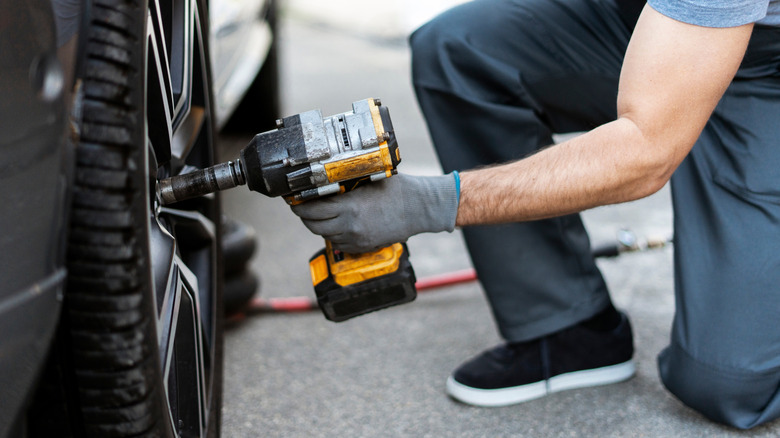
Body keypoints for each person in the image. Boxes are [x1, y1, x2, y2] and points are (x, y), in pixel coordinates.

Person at [290, 0, 780, 430]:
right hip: (654, 27)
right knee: (461, 47)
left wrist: (431, 202)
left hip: (765, 70)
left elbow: (647, 153)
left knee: (728, 385)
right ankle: (565, 325)